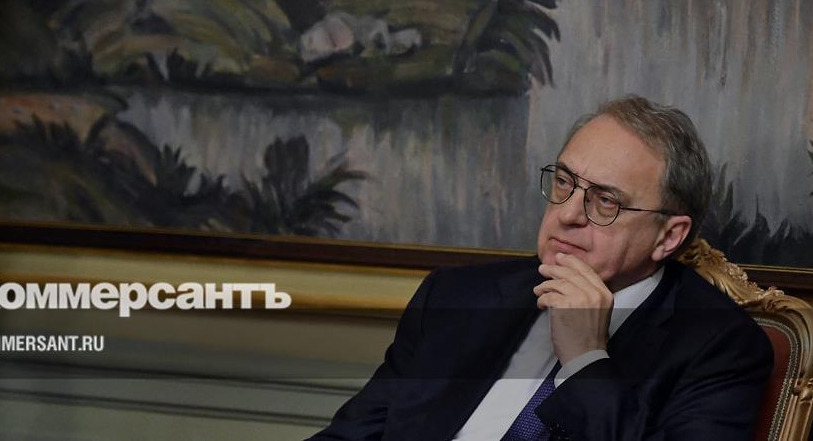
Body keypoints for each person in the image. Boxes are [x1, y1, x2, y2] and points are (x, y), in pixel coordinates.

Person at [310, 95, 772, 440]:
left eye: (605, 201)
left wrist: (586, 358)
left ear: (668, 236)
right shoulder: (454, 298)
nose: (567, 214)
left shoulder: (719, 348)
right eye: (564, 183)